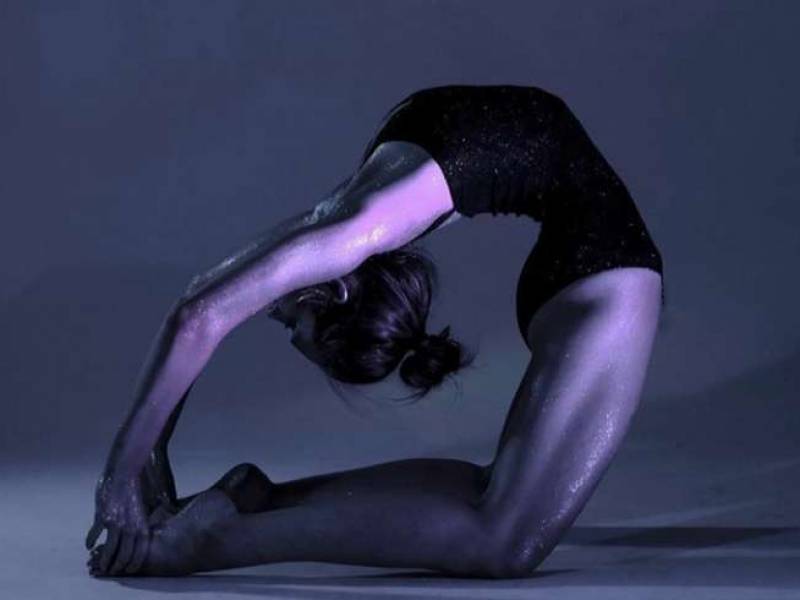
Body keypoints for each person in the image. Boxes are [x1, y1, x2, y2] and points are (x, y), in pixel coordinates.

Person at [86, 84, 665, 579]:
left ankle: (244, 515)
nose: (275, 315)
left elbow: (198, 313)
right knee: (506, 538)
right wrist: (144, 455)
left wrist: (122, 475)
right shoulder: (356, 225)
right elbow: (201, 306)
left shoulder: (357, 224)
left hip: (594, 259)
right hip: (599, 262)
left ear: (335, 294)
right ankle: (224, 533)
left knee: (500, 525)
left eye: (295, 326)